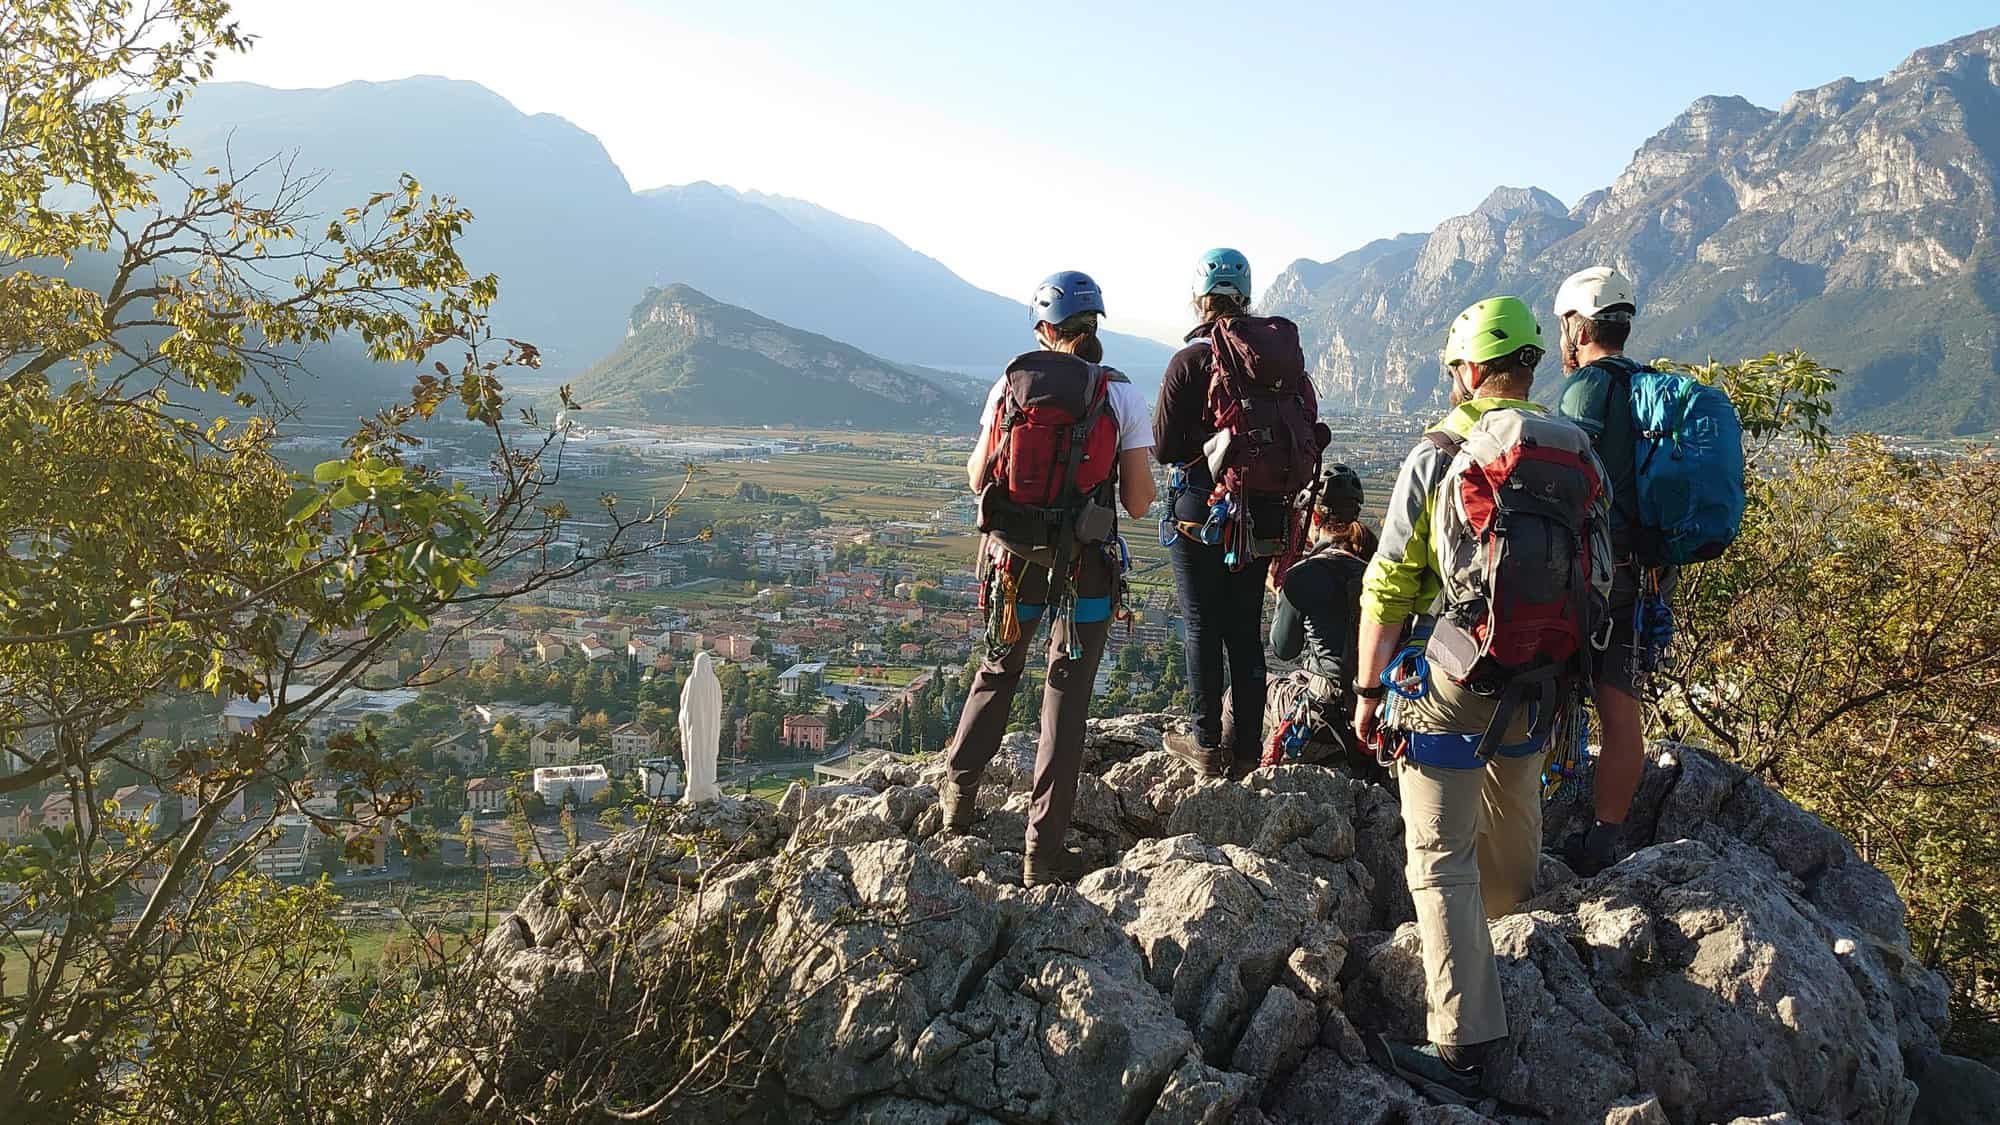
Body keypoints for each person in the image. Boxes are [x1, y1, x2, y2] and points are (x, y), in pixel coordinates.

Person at [1350, 296, 1610, 1100]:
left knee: (1437, 856)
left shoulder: (1439, 450)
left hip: (1457, 672)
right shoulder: (1576, 450)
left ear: (1469, 369)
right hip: (1542, 680)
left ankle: (1461, 1045)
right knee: (1513, 813)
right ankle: (1500, 939)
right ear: (1532, 364)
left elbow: (1389, 585)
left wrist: (1366, 691)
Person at [939, 270, 1156, 887]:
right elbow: (1139, 503)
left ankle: (958, 797)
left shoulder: (1011, 384)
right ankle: (1044, 850)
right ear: (1095, 328)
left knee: (999, 670)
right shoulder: (1122, 396)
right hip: (1086, 569)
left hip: (1011, 565)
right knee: (1066, 699)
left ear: (1044, 329)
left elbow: (980, 476)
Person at [1154, 248, 1303, 778]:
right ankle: (1245, 751)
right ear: (1246, 296)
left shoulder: (1190, 361)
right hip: (1262, 510)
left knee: (1202, 624)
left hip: (1202, 509)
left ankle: (1204, 743)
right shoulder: (1275, 361)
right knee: (1244, 627)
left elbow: (1166, 447)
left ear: (1200, 298)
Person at [1551, 266, 1668, 876]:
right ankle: (1606, 839)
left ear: (1577, 325)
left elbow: (1569, 487)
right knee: (1622, 711)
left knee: (1545, 684)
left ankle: (1545, 811)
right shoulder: (1650, 387)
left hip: (1592, 576)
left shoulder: (1585, 392)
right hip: (1645, 575)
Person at [1261, 464, 1381, 775]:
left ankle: (1233, 772)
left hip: (1324, 708)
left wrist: (1282, 595)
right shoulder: (1374, 569)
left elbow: (1283, 648)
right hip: (1373, 708)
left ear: (1314, 518)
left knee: (1241, 695)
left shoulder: (1303, 575)